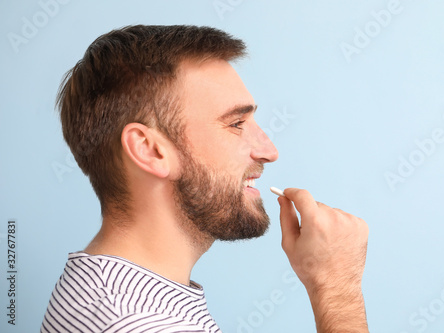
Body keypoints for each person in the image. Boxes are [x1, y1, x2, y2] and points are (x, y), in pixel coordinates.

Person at [41, 25, 369, 333]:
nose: (269, 151)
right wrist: (337, 289)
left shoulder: (122, 293)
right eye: (236, 123)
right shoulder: (139, 323)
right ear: (150, 150)